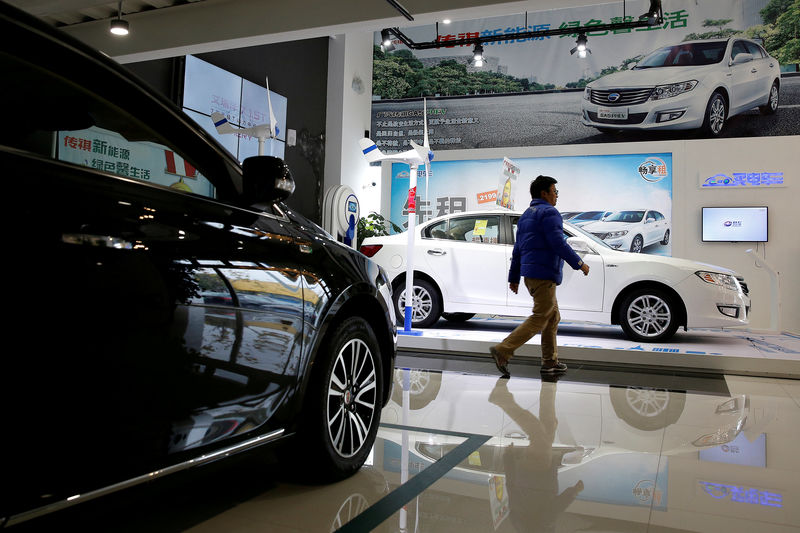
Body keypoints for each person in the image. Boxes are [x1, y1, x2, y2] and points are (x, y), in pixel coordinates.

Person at [490, 175, 589, 376]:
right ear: (544, 193)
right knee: (540, 317)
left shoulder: (527, 215)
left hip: (531, 275)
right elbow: (558, 243)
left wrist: (514, 277)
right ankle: (503, 349)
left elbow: (518, 249)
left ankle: (550, 362)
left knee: (552, 317)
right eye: (555, 192)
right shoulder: (550, 213)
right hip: (544, 275)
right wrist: (579, 264)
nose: (556, 196)